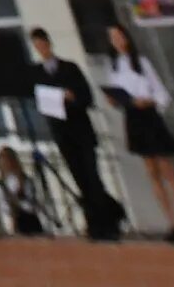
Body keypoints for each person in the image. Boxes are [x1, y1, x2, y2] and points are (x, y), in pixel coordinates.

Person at [24, 29, 123, 239]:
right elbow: (38, 100)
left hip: (81, 129)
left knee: (92, 175)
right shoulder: (36, 73)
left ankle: (107, 222)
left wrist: (72, 97)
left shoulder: (69, 68)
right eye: (37, 46)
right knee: (79, 177)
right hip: (62, 131)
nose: (41, 49)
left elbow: (86, 97)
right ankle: (94, 223)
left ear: (49, 44)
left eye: (43, 44)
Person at [99, 26, 174, 240]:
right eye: (112, 38)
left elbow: (159, 91)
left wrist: (149, 100)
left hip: (149, 114)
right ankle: (171, 223)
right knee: (152, 171)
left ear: (126, 37)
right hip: (133, 116)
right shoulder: (113, 67)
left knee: (168, 170)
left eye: (119, 36)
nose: (117, 41)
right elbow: (117, 96)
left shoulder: (141, 61)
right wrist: (114, 100)